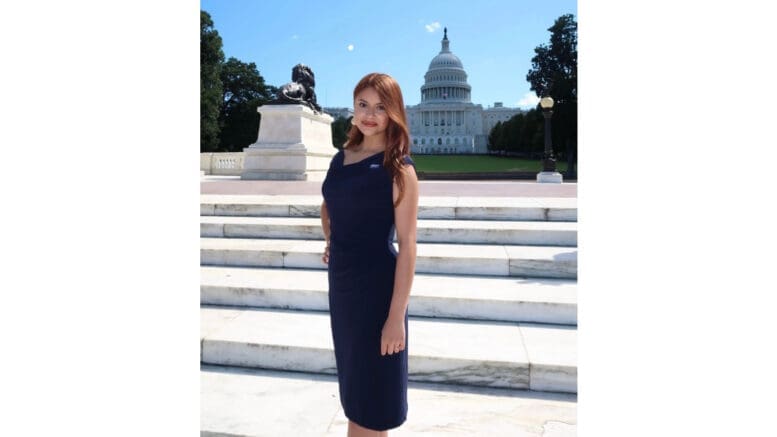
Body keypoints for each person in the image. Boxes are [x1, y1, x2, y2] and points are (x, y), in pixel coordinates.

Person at [320, 72, 419, 436]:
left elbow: (408, 244)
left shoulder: (399, 168)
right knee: (356, 396)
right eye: (363, 104)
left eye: (380, 107)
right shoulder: (340, 159)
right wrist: (333, 240)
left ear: (394, 112)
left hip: (378, 293)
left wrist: (396, 317)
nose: (370, 115)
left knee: (373, 406)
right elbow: (328, 204)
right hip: (344, 292)